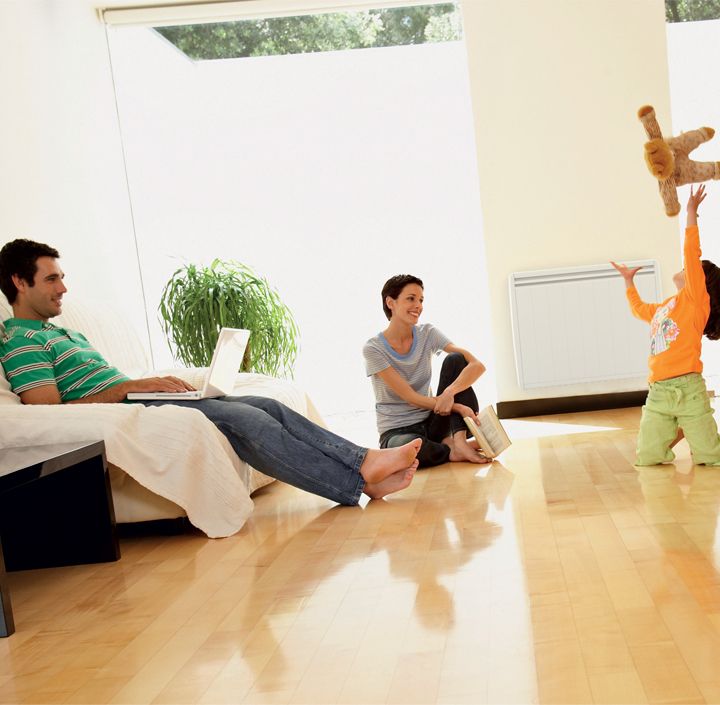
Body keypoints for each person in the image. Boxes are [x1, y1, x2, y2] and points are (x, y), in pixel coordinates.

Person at [0, 238, 421, 504]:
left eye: (62, 277)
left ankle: (363, 464)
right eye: (52, 279)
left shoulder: (61, 333)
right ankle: (360, 477)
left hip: (138, 396)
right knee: (244, 418)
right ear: (20, 282)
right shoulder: (20, 341)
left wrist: (143, 386)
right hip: (128, 404)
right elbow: (46, 406)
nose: (63, 288)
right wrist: (132, 388)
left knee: (264, 404)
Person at [611, 183, 720, 466]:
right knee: (647, 457)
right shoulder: (667, 307)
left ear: (700, 282)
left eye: (691, 271)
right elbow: (639, 310)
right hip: (658, 390)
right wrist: (628, 282)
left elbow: (690, 252)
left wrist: (691, 212)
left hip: (688, 388)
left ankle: (699, 438)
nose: (684, 269)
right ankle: (681, 431)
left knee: (711, 456)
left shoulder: (697, 300)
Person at [363, 274, 490, 468]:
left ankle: (459, 441)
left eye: (421, 300)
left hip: (432, 421)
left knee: (456, 360)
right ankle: (454, 448)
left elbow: (476, 365)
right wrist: (457, 406)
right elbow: (410, 397)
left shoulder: (427, 333)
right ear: (391, 302)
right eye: (411, 298)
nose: (418, 305)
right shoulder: (373, 349)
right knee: (408, 449)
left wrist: (449, 392)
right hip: (397, 432)